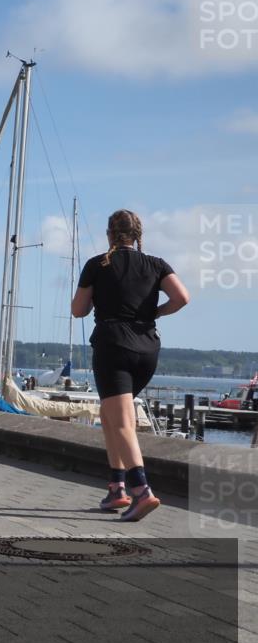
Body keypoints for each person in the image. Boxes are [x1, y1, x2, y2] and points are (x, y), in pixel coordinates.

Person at [72, 209, 189, 522]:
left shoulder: (98, 264)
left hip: (113, 346)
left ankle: (141, 491)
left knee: (122, 421)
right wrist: (154, 312)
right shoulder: (156, 264)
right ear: (138, 235)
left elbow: (78, 310)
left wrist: (101, 295)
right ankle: (116, 488)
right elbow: (182, 297)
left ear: (110, 234)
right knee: (110, 416)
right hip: (147, 349)